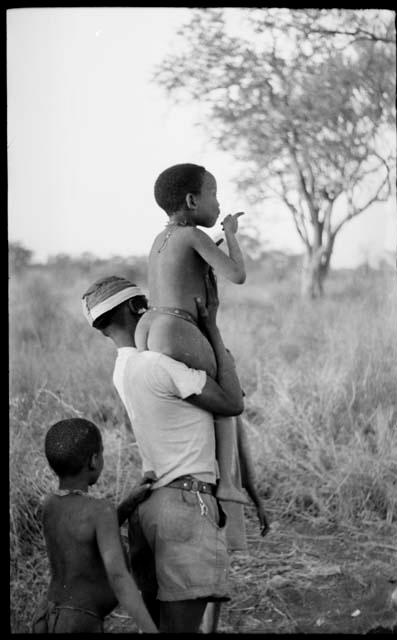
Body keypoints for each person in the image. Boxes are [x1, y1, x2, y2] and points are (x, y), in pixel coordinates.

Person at [82, 272, 244, 633]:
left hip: (149, 509)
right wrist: (212, 331)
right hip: (186, 508)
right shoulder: (157, 365)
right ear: (132, 308)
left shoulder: (122, 369)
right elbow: (233, 403)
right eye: (143, 305)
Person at [135, 163, 247, 505]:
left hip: (149, 325)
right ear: (191, 200)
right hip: (176, 326)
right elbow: (237, 274)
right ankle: (226, 483)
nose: (218, 203)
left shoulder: (162, 237)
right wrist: (230, 234)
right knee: (228, 387)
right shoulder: (193, 235)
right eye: (213, 194)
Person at [31, 418, 158, 634]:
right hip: (78, 622)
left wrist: (126, 506)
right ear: (94, 460)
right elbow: (119, 577)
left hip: (46, 615)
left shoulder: (49, 504)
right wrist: (149, 629)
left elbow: (83, 536)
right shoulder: (101, 510)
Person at [200, 414, 270, 633]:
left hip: (215, 497)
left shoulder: (228, 407)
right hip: (199, 495)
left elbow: (242, 456)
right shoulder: (214, 401)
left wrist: (258, 501)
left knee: (213, 574)